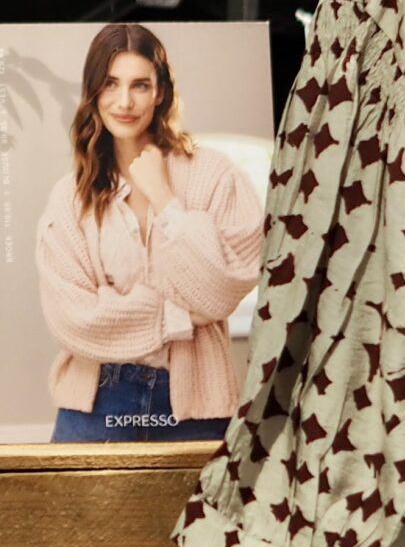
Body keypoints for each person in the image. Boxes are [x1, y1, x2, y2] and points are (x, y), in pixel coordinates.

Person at [35, 23, 261, 444]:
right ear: (93, 93)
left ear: (160, 93)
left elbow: (222, 288)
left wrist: (164, 199)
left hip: (195, 406)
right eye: (111, 84)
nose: (124, 101)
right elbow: (74, 320)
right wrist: (180, 315)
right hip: (95, 406)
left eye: (140, 85)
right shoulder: (68, 198)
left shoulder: (214, 176)